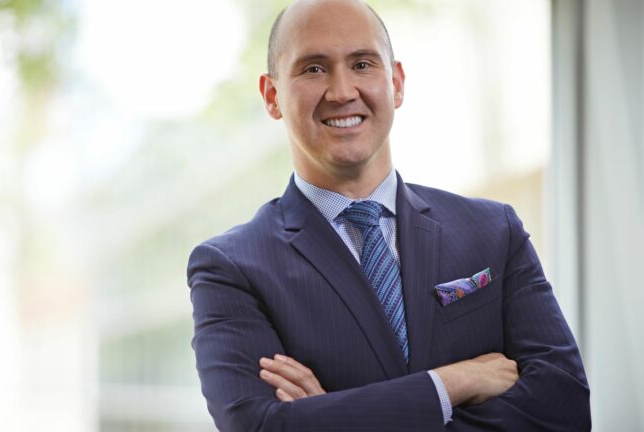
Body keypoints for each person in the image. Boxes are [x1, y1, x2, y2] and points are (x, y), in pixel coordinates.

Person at [186, 0, 591, 430]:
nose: (342, 91)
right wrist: (451, 383)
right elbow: (263, 426)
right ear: (272, 96)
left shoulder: (494, 232)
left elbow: (564, 409)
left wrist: (333, 416)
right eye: (314, 69)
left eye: (362, 64)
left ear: (396, 83)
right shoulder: (230, 269)